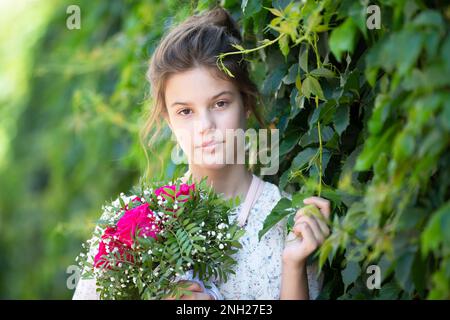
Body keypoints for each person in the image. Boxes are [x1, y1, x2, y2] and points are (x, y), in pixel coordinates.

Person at [73, 6, 331, 300]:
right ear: (169, 120)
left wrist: (293, 264)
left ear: (245, 103)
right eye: (185, 111)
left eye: (220, 103)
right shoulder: (130, 228)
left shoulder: (288, 223)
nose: (205, 126)